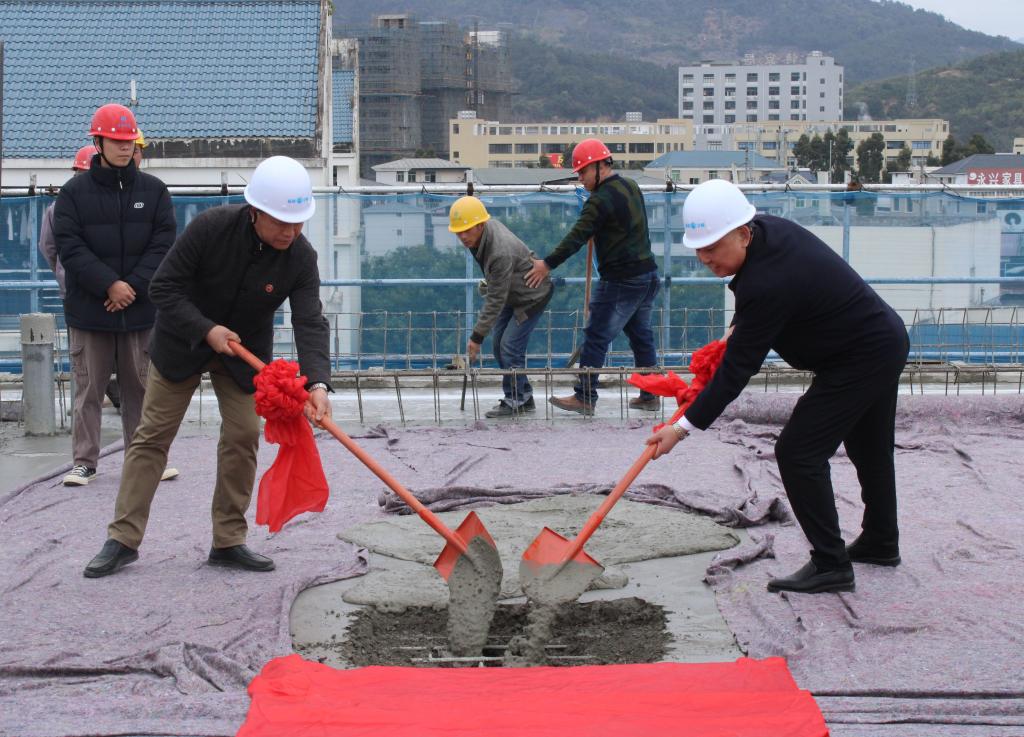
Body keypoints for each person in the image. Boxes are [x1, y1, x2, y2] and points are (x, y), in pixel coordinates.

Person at [645, 179, 909, 595]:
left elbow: (737, 372)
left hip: (860, 357)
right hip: (880, 340)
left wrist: (681, 428)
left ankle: (830, 564)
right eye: (698, 248)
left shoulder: (766, 281)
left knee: (798, 452)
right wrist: (733, 334)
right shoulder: (767, 233)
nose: (704, 258)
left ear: (742, 234)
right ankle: (880, 542)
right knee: (869, 449)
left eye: (712, 247)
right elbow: (751, 317)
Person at [83, 155, 333, 578]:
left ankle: (229, 540)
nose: (290, 232)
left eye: (297, 223)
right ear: (255, 211)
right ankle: (122, 538)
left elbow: (310, 321)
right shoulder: (211, 228)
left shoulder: (301, 257)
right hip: (182, 340)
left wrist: (318, 385)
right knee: (152, 437)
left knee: (244, 434)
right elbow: (163, 287)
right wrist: (207, 330)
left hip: (244, 353)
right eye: (280, 222)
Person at [53, 104, 178, 487]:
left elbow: (163, 244)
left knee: (140, 387)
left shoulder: (154, 191)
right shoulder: (74, 193)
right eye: (117, 141)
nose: (126, 148)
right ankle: (84, 462)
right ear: (98, 142)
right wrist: (109, 284)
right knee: (88, 388)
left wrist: (132, 286)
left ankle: (144, 459)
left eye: (130, 142)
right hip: (90, 310)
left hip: (139, 311)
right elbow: (69, 247)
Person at [524, 138, 661, 416]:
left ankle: (585, 396)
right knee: (641, 336)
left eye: (583, 171)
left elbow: (575, 237)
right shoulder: (631, 186)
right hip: (647, 275)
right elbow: (624, 226)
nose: (580, 178)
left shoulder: (598, 201)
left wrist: (546, 264)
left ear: (600, 166)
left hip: (621, 280)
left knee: (596, 335)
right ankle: (650, 394)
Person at [38, 145, 127, 413]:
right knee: (118, 351)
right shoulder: (113, 202)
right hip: (113, 291)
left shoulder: (58, 207)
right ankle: (115, 395)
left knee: (83, 356)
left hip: (80, 292)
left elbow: (48, 248)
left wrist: (64, 274)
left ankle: (92, 399)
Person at [448, 196, 553, 418]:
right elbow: (498, 286)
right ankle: (524, 394)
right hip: (510, 292)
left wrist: (476, 337)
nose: (462, 236)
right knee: (498, 345)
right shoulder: (482, 234)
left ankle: (516, 399)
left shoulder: (499, 251)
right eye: (458, 232)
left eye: (466, 230)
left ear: (480, 225)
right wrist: (492, 279)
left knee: (510, 346)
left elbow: (495, 299)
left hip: (531, 296)